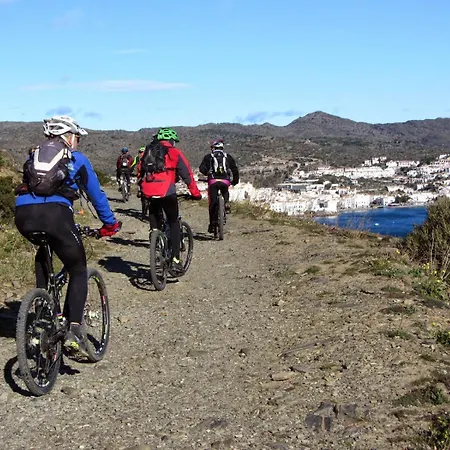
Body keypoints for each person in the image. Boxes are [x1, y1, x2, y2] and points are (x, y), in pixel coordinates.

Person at [15, 115, 121, 356]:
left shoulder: (33, 156)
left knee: (44, 249)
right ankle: (73, 330)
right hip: (57, 217)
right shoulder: (77, 159)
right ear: (69, 137)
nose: (78, 142)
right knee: (78, 269)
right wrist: (109, 224)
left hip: (23, 215)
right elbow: (96, 195)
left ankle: (42, 313)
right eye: (77, 138)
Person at [139, 127, 202, 274]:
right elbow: (187, 175)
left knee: (154, 216)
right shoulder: (175, 152)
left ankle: (155, 238)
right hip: (167, 192)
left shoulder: (148, 151)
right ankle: (175, 260)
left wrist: (141, 189)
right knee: (173, 222)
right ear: (172, 141)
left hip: (148, 191)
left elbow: (141, 172)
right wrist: (195, 194)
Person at [199, 139, 239, 233]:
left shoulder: (208, 157)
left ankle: (212, 224)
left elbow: (201, 168)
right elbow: (234, 169)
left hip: (213, 181)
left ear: (213, 148)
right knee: (225, 191)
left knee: (212, 203)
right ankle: (226, 202)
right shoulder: (227, 157)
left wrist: (207, 173)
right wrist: (235, 181)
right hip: (225, 180)